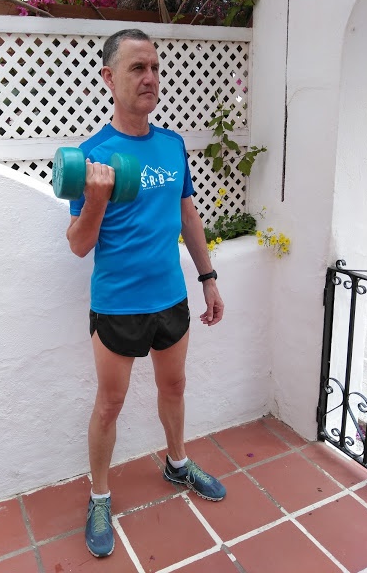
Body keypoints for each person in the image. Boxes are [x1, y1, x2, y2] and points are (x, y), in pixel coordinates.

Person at [66, 29, 226, 559]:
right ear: (109, 78)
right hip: (117, 303)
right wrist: (95, 199)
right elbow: (78, 245)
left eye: (155, 67)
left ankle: (177, 463)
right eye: (137, 68)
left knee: (175, 386)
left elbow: (187, 214)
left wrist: (208, 278)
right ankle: (99, 496)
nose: (150, 78)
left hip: (171, 297)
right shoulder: (93, 156)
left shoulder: (173, 145)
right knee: (110, 404)